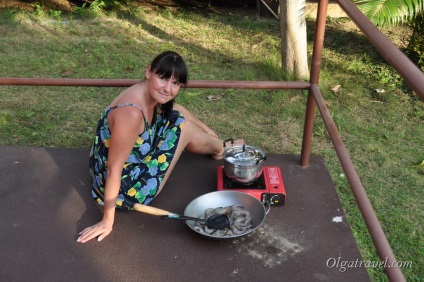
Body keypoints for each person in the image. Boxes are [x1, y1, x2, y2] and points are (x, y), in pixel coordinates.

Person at [77, 51, 242, 243]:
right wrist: (107, 220)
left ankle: (217, 144)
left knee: (177, 116)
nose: (168, 88)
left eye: (175, 83)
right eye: (163, 78)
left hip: (113, 170)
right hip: (127, 190)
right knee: (184, 127)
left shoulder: (142, 90)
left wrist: (210, 131)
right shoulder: (131, 113)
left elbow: (176, 109)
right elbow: (115, 167)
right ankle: (220, 148)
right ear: (149, 72)